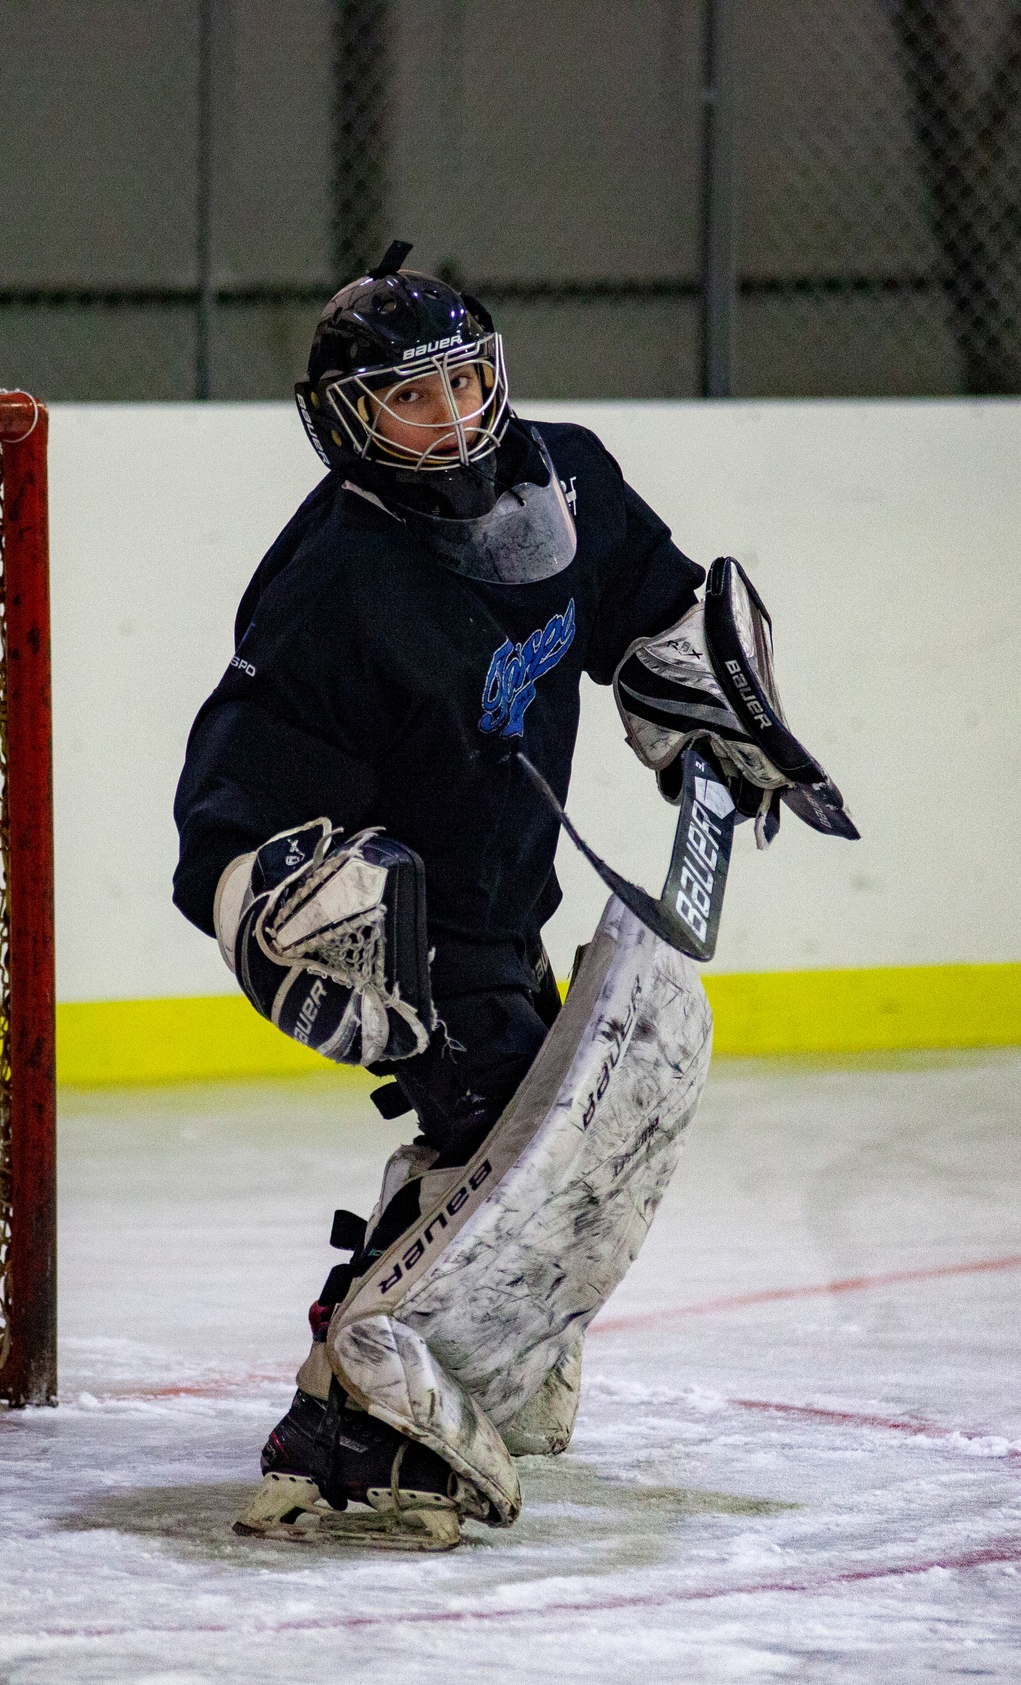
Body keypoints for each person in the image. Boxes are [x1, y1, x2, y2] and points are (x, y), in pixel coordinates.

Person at [172, 241, 851, 1549]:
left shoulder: (565, 476)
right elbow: (230, 814)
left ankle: (416, 1373)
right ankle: (345, 1425)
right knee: (515, 1146)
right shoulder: (331, 586)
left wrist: (707, 699)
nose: (455, 416)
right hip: (410, 931)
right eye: (410, 397)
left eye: (467, 381)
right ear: (345, 422)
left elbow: (654, 606)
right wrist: (289, 904)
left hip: (509, 899)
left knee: (502, 1151)